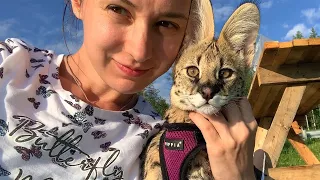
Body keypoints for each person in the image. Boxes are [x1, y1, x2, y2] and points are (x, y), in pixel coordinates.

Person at [0, 0, 263, 179]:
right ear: (78, 2)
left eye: (166, 24)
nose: (140, 50)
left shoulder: (162, 140)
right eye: (118, 8)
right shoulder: (8, 64)